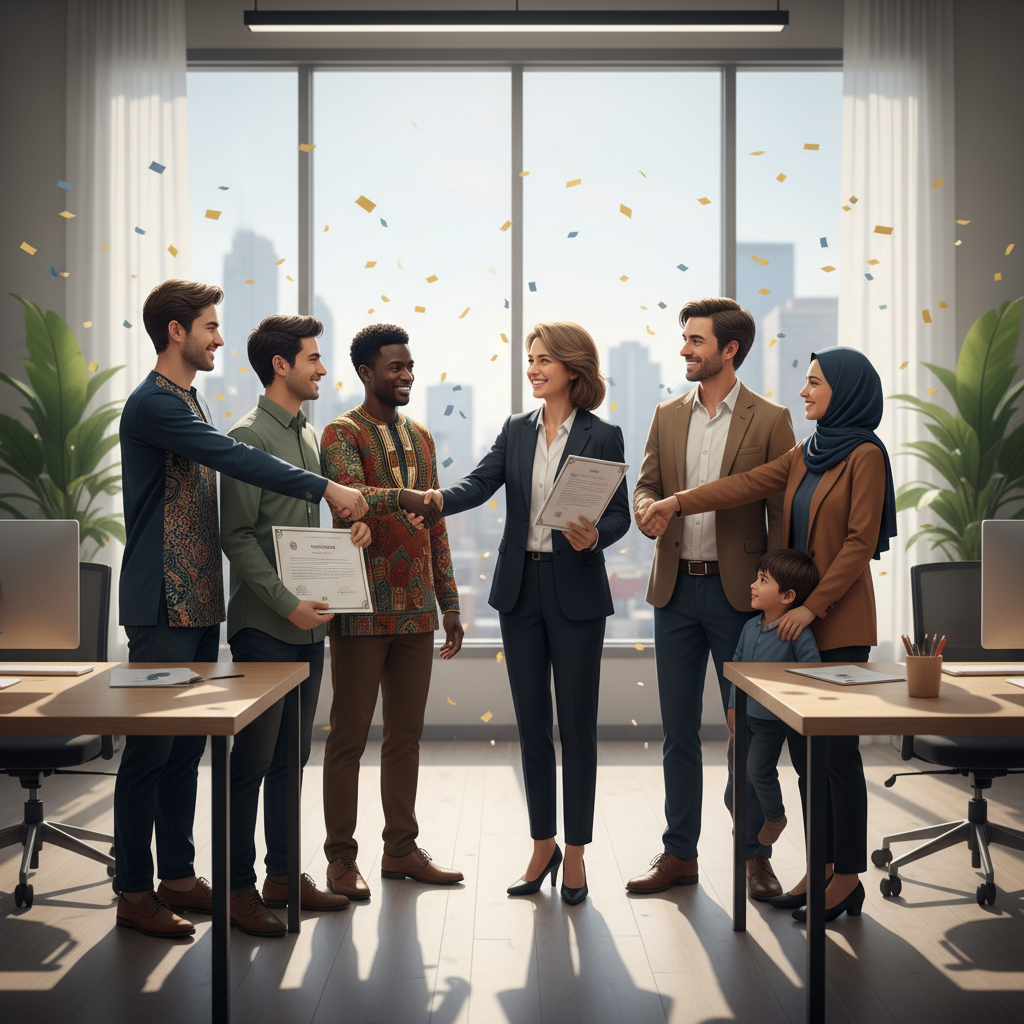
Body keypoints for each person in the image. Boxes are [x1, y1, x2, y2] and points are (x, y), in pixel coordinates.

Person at [114, 279, 367, 940]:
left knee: (181, 756)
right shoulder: (154, 404)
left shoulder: (189, 401)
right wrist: (326, 487)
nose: (218, 338)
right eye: (208, 326)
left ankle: (176, 876)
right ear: (176, 331)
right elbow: (234, 459)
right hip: (161, 602)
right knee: (149, 754)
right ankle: (134, 890)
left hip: (198, 603)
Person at [642, 345, 897, 922]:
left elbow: (859, 543)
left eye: (815, 383)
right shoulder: (808, 452)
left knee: (836, 758)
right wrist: (676, 502)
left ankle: (847, 876)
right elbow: (742, 484)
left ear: (846, 391)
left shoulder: (864, 455)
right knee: (808, 758)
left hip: (837, 622)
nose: (804, 392)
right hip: (794, 620)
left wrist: (811, 608)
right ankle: (821, 867)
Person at [422, 321, 630, 905]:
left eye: (543, 360)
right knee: (532, 726)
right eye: (530, 359)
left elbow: (620, 514)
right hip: (520, 591)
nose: (533, 369)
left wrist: (597, 536)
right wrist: (437, 500)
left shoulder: (603, 434)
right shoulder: (516, 429)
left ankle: (577, 853)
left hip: (576, 590)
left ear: (572, 368)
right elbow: (481, 483)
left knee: (577, 728)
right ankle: (543, 845)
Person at [625, 297, 795, 901]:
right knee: (678, 732)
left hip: (740, 598)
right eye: (685, 339)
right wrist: (645, 508)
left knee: (746, 730)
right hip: (674, 590)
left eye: (695, 340)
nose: (684, 350)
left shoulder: (770, 420)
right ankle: (680, 854)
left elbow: (781, 516)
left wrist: (774, 597)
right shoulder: (667, 414)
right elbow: (647, 481)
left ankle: (754, 856)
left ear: (729, 349)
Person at [220, 315, 373, 935]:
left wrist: (352, 535)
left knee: (292, 760)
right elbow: (236, 536)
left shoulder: (309, 436)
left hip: (310, 628)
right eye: (312, 357)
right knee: (252, 763)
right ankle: (236, 888)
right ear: (280, 365)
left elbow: (303, 535)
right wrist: (287, 604)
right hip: (266, 627)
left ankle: (283, 877)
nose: (322, 368)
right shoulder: (247, 437)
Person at [319, 323, 465, 899]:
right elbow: (349, 498)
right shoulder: (341, 432)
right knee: (348, 738)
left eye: (409, 367)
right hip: (360, 607)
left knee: (406, 737)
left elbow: (436, 524)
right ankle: (340, 859)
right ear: (366, 372)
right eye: (394, 367)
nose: (406, 376)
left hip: (417, 613)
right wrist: (402, 497)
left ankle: (400, 849)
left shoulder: (422, 438)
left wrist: (449, 603)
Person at [725, 549, 820, 846]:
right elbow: (737, 667)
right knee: (735, 778)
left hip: (771, 722)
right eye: (757, 578)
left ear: (787, 596)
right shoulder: (749, 627)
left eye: (763, 580)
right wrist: (732, 704)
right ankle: (741, 822)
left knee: (757, 771)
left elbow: (812, 671)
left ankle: (775, 817)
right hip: (745, 717)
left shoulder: (798, 633)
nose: (753, 585)